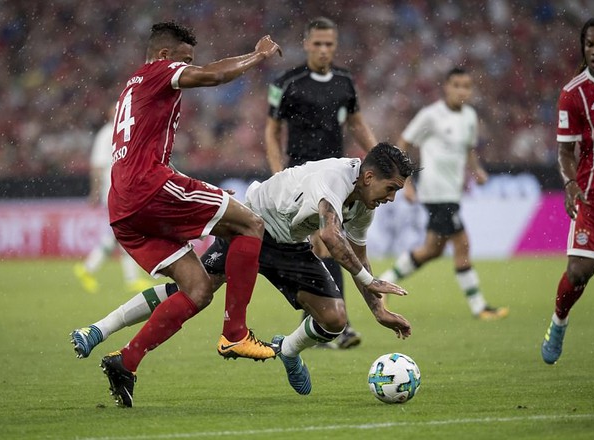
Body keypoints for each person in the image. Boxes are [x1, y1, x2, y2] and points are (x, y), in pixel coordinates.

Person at [71, 143, 418, 400]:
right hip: (252, 224)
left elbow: (357, 251)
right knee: (194, 290)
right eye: (391, 189)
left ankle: (289, 350)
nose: (391, 198)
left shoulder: (365, 203)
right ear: (369, 176)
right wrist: (369, 281)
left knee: (335, 320)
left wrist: (378, 310)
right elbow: (329, 235)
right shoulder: (335, 178)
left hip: (291, 245)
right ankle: (99, 330)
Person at [77, 21, 282, 408]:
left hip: (123, 207)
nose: (189, 67)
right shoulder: (160, 70)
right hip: (148, 189)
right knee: (251, 223)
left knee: (199, 288)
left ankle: (126, 361)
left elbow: (145, 152)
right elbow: (211, 75)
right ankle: (235, 332)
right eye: (185, 60)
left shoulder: (131, 87)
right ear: (165, 55)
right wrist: (258, 55)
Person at [265, 17, 377, 349]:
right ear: (306, 44)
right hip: (301, 177)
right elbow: (271, 131)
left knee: (323, 245)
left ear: (335, 45)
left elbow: (357, 125)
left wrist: (382, 158)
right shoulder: (287, 82)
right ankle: (334, 326)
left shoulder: (345, 81)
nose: (324, 50)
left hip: (337, 176)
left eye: (329, 44)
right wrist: (277, 173)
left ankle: (322, 324)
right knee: (325, 244)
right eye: (318, 43)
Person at [379, 67, 509, 320]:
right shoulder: (430, 116)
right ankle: (479, 307)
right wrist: (405, 183)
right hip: (436, 193)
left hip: (452, 193)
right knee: (463, 244)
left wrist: (477, 171)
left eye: (466, 86)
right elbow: (402, 144)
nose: (462, 90)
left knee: (432, 250)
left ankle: (383, 282)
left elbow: (468, 151)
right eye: (456, 85)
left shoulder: (470, 116)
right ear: (446, 87)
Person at [541, 16, 594, 365]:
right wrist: (570, 183)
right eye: (590, 45)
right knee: (578, 272)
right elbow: (566, 151)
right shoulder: (574, 93)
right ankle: (559, 322)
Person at [73, 106, 151, 294]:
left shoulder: (122, 134)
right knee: (125, 233)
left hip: (122, 191)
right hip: (112, 192)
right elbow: (98, 167)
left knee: (121, 234)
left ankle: (89, 269)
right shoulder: (107, 134)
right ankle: (125, 277)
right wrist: (95, 192)